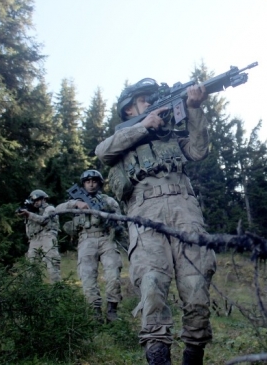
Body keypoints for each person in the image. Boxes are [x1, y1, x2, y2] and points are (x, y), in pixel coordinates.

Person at [95, 79, 217, 365]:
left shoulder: (171, 137)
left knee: (197, 286)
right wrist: (144, 126)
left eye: (153, 98)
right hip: (144, 213)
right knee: (152, 285)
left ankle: (193, 355)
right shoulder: (122, 141)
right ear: (129, 110)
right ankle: (158, 357)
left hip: (184, 210)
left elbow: (199, 151)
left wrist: (195, 109)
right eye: (144, 99)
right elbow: (102, 152)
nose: (151, 101)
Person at [56, 169, 123, 323]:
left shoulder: (108, 201)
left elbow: (120, 221)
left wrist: (113, 222)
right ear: (84, 184)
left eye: (94, 181)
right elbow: (56, 210)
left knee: (113, 275)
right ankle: (95, 312)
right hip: (86, 240)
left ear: (99, 184)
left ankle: (112, 310)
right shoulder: (77, 201)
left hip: (106, 239)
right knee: (87, 277)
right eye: (88, 182)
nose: (91, 185)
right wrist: (76, 203)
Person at [17, 190, 62, 283]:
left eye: (38, 200)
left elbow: (43, 220)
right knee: (31, 266)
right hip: (34, 239)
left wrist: (28, 214)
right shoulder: (32, 210)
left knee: (52, 264)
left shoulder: (50, 209)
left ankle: (58, 290)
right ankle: (34, 291)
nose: (35, 202)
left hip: (47, 237)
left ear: (44, 199)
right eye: (34, 200)